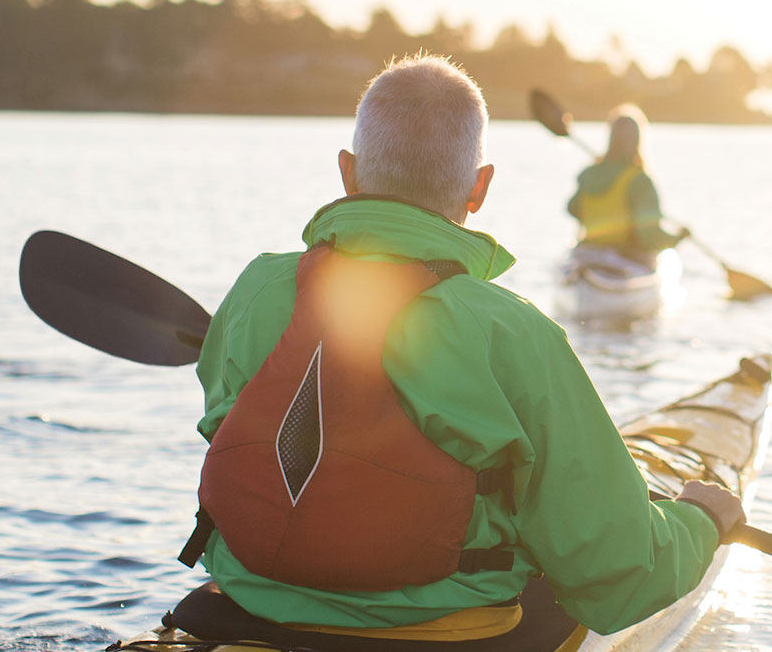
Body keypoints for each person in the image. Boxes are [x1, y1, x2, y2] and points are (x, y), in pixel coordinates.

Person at [171, 54, 742, 649]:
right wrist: (701, 522)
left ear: (347, 172)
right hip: (444, 633)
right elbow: (620, 573)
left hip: (251, 605)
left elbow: (230, 430)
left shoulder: (256, 290)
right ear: (480, 187)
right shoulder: (513, 332)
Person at [564, 107, 681, 269]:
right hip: (624, 259)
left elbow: (573, 209)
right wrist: (678, 238)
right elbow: (650, 237)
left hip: (585, 255)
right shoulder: (639, 181)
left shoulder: (590, 173)